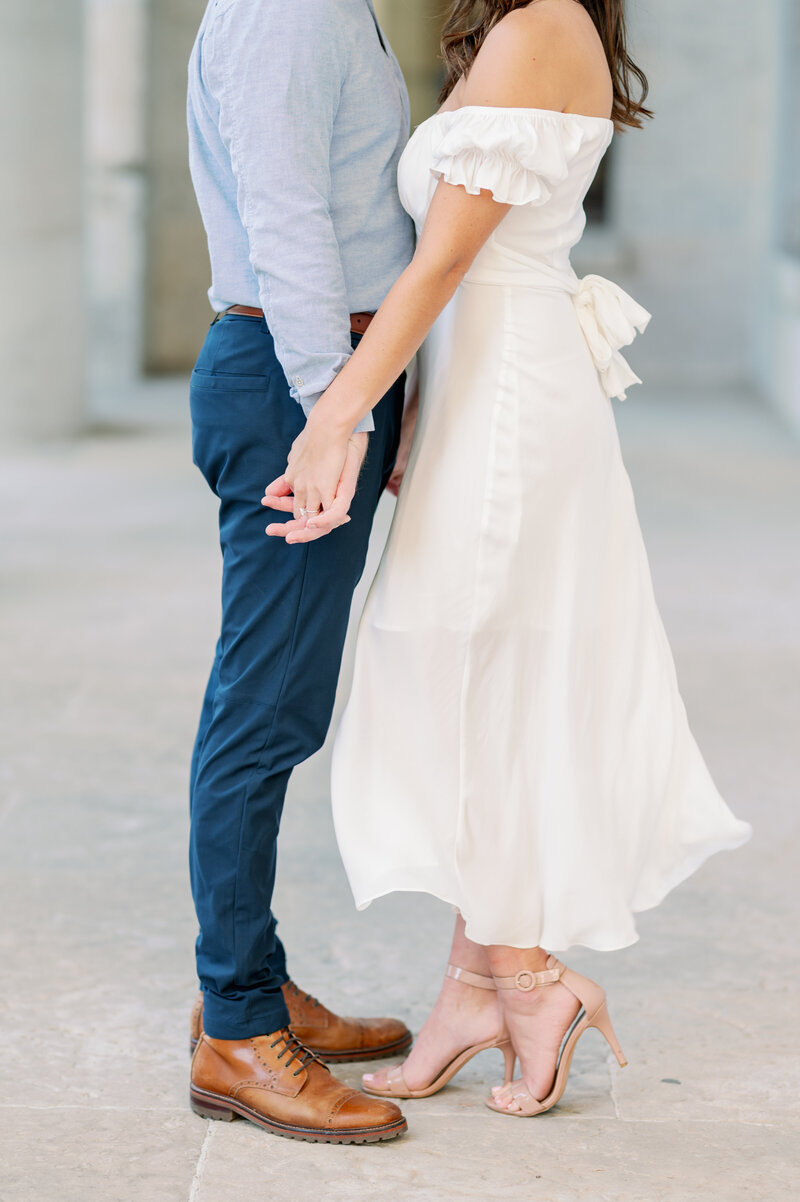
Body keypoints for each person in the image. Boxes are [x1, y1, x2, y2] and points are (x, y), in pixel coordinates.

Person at [264, 0, 752, 1117]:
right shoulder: (515, 30)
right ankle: (472, 990)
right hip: (480, 384)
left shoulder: (538, 29)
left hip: (512, 398)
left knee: (465, 669)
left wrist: (338, 414)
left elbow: (445, 260)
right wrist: (416, 408)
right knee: (482, 678)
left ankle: (530, 981)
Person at [184, 0, 417, 1143]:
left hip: (317, 376)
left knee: (278, 701)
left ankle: (254, 981)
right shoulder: (290, 8)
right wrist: (338, 408)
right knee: (263, 707)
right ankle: (237, 1024)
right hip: (296, 383)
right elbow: (285, 217)